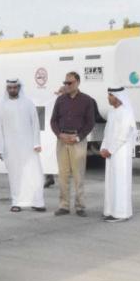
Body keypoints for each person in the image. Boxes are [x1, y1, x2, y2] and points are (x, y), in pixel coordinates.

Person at [0, 79, 46, 212]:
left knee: (34, 174)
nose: (12, 90)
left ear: (19, 88)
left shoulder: (28, 103)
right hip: (11, 148)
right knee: (15, 175)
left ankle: (37, 202)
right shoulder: (1, 106)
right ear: (7, 89)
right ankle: (16, 202)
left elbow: (35, 124)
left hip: (29, 146)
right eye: (10, 88)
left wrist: (36, 143)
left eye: (15, 87)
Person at [49, 71, 96, 216]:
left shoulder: (87, 100)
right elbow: (53, 120)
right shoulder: (61, 100)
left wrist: (78, 137)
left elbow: (90, 123)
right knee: (63, 175)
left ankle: (80, 206)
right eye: (65, 83)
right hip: (62, 140)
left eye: (70, 83)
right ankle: (64, 205)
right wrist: (59, 134)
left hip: (78, 141)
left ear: (78, 83)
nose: (67, 85)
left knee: (78, 175)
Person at [100, 87, 136, 222]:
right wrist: (103, 147)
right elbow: (107, 131)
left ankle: (121, 213)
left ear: (118, 96)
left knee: (121, 182)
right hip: (110, 152)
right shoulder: (111, 112)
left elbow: (124, 134)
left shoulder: (126, 112)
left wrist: (111, 149)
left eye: (110, 95)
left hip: (121, 153)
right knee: (111, 182)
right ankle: (110, 210)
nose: (108, 98)